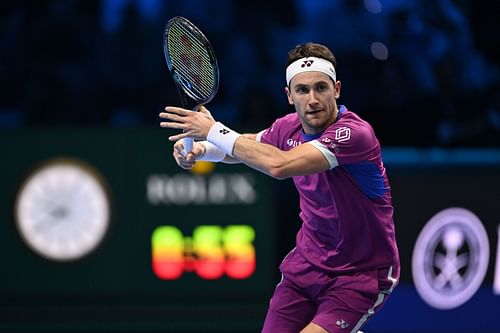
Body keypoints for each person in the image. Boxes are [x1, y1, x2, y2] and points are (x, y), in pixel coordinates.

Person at [159, 42, 400, 333]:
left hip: (359, 274)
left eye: (321, 88)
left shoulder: (354, 134)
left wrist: (213, 129)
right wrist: (201, 150)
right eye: (302, 90)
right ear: (289, 96)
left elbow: (280, 165)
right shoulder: (287, 128)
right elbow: (247, 147)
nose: (312, 99)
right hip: (306, 266)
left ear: (336, 89)